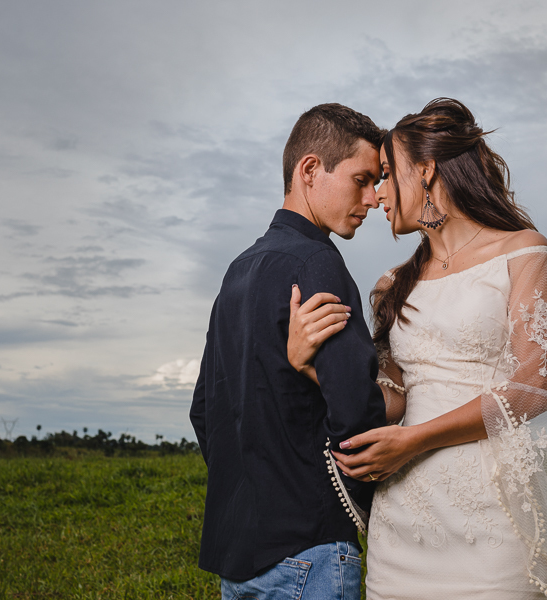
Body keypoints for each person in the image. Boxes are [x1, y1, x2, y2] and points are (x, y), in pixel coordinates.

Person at [287, 98, 547, 598]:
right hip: (402, 521)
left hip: (491, 518)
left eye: (385, 176)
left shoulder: (523, 251)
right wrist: (307, 365)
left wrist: (415, 440)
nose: (376, 194)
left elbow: (534, 389)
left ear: (424, 171)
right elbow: (393, 398)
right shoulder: (391, 285)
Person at [189, 103, 390, 600]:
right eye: (362, 179)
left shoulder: (237, 271)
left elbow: (202, 412)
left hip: (237, 558)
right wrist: (340, 507)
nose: (373, 197)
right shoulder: (317, 263)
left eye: (379, 182)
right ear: (309, 170)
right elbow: (358, 415)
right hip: (309, 549)